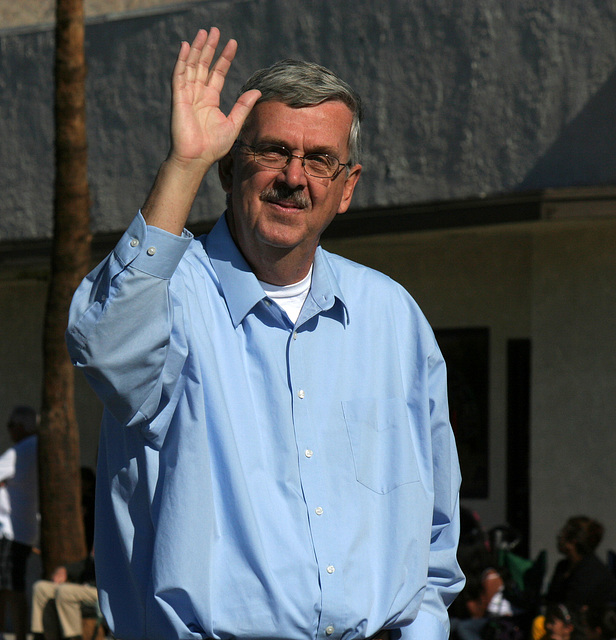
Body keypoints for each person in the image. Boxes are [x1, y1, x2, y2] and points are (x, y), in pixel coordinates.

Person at [66, 27, 465, 640]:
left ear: (347, 187)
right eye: (272, 152)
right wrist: (184, 165)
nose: (294, 177)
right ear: (230, 168)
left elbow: (436, 522)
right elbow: (105, 349)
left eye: (319, 159)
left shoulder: (391, 316)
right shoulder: (168, 295)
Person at [0, 405, 38, 640]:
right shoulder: (40, 448)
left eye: (10, 426)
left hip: (10, 531)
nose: (10, 432)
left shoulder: (22, 449)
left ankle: (16, 634)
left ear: (21, 426)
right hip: (26, 530)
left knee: (10, 587)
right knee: (11, 585)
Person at [546, 516, 616, 609]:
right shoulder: (563, 566)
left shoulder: (592, 573)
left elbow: (573, 607)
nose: (558, 539)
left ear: (572, 543)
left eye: (561, 535)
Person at [30, 552, 97, 640]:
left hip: (106, 592)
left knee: (65, 591)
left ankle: (73, 637)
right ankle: (40, 636)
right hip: (86, 587)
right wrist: (65, 570)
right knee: (41, 588)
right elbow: (87, 564)